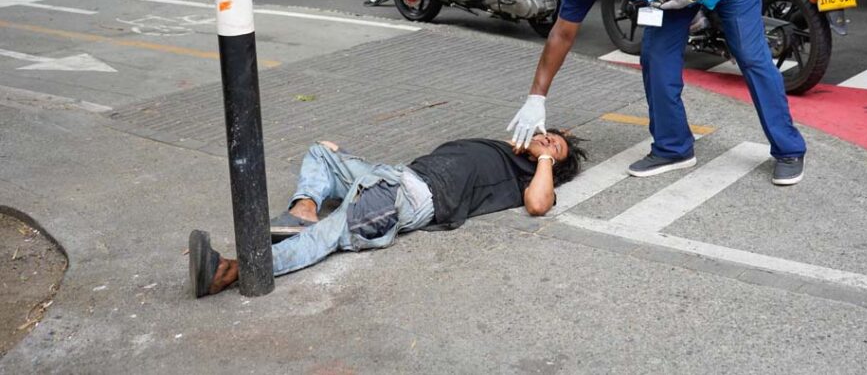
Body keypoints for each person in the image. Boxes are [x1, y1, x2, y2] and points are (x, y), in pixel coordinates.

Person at [508, 0, 808, 186]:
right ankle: (673, 148)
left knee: (750, 56)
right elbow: (562, 33)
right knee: (655, 59)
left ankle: (789, 149)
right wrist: (537, 96)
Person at [187, 130, 587, 298]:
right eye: (549, 133)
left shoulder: (526, 178)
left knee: (335, 232)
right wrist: (530, 139)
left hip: (412, 196)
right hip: (394, 175)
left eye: (557, 146)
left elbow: (539, 204)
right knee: (321, 152)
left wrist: (548, 159)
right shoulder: (506, 148)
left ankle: (233, 270)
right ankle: (303, 209)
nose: (549, 139)